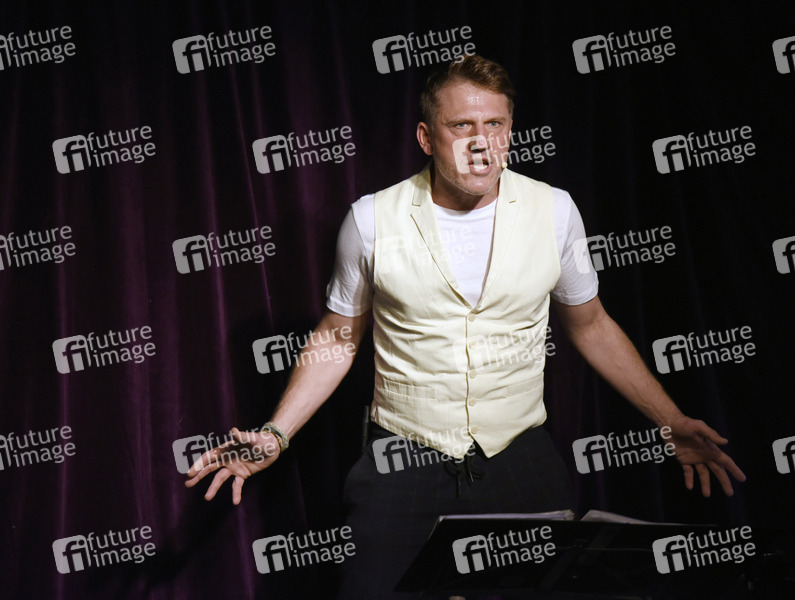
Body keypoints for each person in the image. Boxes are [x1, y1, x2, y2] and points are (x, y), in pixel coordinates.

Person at [186, 55, 746, 599]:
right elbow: (338, 337)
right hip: (403, 458)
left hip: (519, 456)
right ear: (427, 138)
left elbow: (592, 325)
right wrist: (277, 433)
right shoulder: (371, 219)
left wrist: (669, 419)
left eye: (495, 125)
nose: (481, 143)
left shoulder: (555, 211)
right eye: (461, 126)